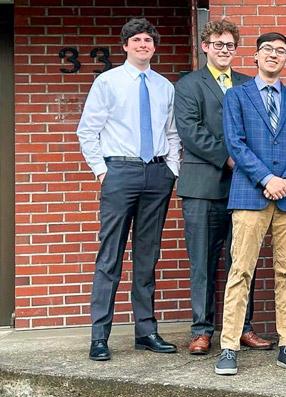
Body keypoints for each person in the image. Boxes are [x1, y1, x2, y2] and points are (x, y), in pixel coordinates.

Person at [78, 17, 180, 361]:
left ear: (154, 47)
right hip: (119, 172)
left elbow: (172, 132)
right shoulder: (107, 82)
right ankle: (99, 336)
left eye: (148, 40)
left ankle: (146, 331)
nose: (143, 45)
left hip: (156, 174)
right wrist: (102, 172)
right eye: (136, 40)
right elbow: (87, 130)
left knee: (147, 256)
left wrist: (172, 170)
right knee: (110, 256)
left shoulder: (165, 85)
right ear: (125, 46)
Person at [214, 32, 286, 376]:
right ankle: (228, 346)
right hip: (249, 193)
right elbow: (236, 143)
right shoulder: (236, 96)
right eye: (267, 50)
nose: (274, 55)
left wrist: (285, 179)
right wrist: (266, 179)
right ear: (255, 57)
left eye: (281, 51)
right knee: (240, 270)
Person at [174, 19, 272, 356]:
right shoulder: (189, 85)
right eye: (218, 44)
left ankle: (242, 327)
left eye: (230, 45)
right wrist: (230, 158)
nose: (224, 50)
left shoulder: (248, 84)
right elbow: (191, 131)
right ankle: (202, 330)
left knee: (242, 261)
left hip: (244, 188)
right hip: (203, 186)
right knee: (203, 262)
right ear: (205, 46)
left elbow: (259, 131)